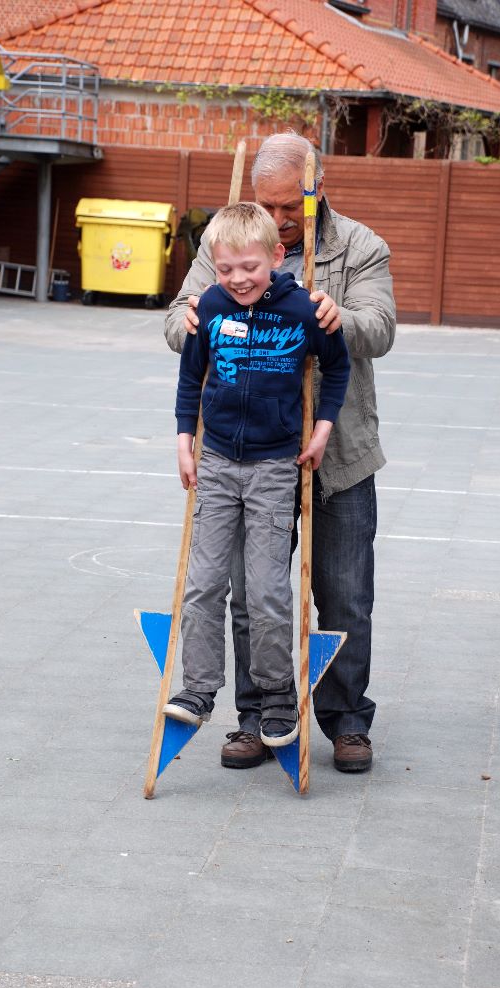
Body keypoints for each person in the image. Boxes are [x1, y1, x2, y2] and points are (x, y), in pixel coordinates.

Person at [165, 131, 396, 772]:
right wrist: (186, 321)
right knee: (249, 591)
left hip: (337, 454)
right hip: (243, 456)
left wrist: (334, 316)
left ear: (318, 189)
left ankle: (346, 720)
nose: (281, 219)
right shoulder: (235, 243)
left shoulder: (360, 246)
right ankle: (255, 716)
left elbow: (379, 330)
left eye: (292, 206)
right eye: (268, 205)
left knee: (345, 595)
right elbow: (178, 317)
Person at [165, 202, 350, 749]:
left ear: (275, 256)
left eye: (249, 266)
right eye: (226, 269)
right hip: (217, 464)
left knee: (266, 590)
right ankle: (198, 689)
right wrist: (183, 440)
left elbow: (336, 368)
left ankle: (274, 697)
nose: (238, 279)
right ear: (214, 266)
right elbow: (189, 376)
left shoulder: (304, 310)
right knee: (203, 585)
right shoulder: (211, 309)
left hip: (274, 469)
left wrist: (322, 429)